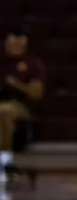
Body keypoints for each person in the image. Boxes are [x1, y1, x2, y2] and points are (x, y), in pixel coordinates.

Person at [0, 28, 45, 177]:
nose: (14, 47)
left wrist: (17, 85)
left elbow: (36, 93)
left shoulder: (33, 63)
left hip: (21, 105)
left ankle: (5, 160)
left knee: (4, 111)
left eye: (18, 43)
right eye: (11, 43)